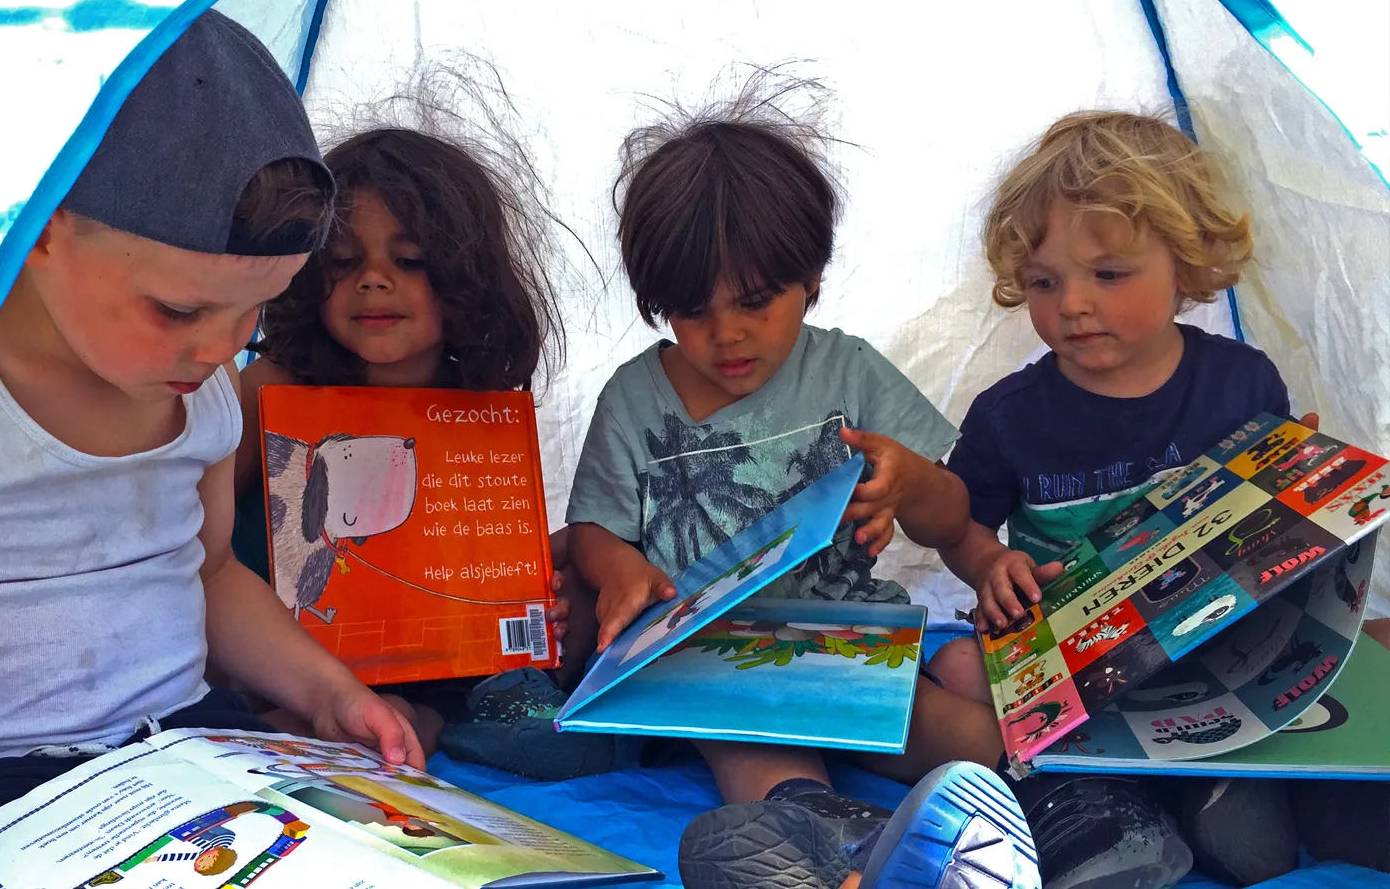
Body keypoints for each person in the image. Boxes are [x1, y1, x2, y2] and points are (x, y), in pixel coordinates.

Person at [0, 12, 421, 888]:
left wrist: (328, 692)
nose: (221, 346)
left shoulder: (206, 390)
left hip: (189, 748)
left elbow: (209, 573)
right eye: (178, 309)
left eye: (257, 309)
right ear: (39, 226)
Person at [564, 70, 1037, 889]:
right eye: (694, 311)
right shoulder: (635, 399)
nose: (727, 334)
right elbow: (593, 529)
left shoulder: (848, 371)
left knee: (957, 731)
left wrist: (910, 483)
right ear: (656, 302)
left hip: (853, 645)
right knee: (745, 739)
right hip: (712, 657)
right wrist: (620, 568)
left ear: (811, 275)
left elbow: (951, 519)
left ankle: (1030, 811)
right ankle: (823, 838)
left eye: (755, 300)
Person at [939, 110, 1325, 888]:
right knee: (952, 664)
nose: (1072, 304)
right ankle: (1092, 799)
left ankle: (1218, 784)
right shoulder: (1008, 416)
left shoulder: (1242, 384)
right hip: (1068, 664)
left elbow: (1271, 538)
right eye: (1044, 282)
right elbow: (960, 525)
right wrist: (988, 565)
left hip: (1207, 646)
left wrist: (1301, 483)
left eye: (1108, 274)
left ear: (1186, 261)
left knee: (1261, 835)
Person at [229, 74, 599, 772]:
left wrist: (533, 600)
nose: (373, 280)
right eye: (344, 262)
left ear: (463, 278)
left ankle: (459, 715)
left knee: (585, 556)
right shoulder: (273, 387)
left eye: (408, 261)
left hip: (434, 668)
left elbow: (481, 570)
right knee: (371, 717)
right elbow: (190, 540)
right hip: (281, 665)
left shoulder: (477, 409)